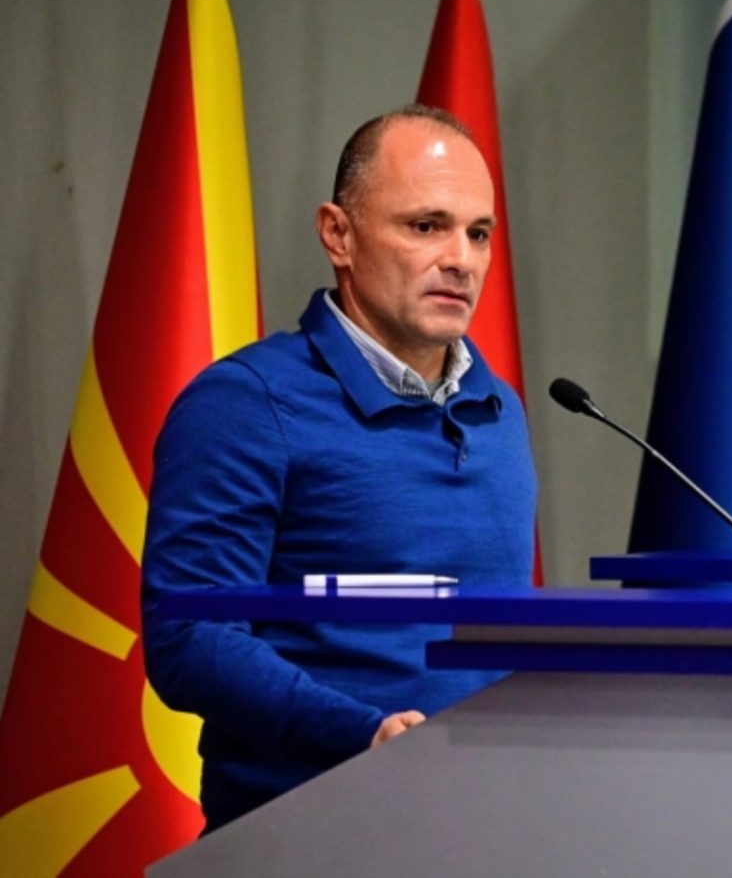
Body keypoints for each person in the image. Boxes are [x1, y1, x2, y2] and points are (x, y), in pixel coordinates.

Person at [141, 104, 537, 832]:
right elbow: (189, 639)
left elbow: (496, 633)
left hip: (485, 828)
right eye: (427, 226)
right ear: (338, 235)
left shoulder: (499, 410)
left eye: (478, 233)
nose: (461, 258)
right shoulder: (245, 404)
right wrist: (362, 735)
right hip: (307, 836)